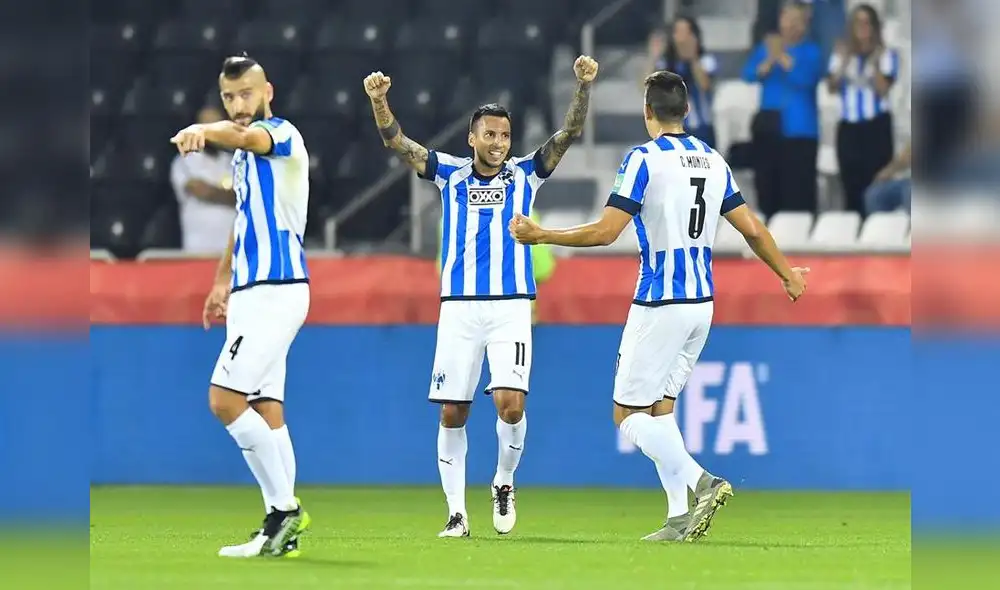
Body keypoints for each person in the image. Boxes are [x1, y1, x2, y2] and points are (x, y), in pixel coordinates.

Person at [509, 71, 809, 542]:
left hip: (660, 301)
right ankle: (677, 517)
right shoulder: (713, 160)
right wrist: (787, 274)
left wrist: (541, 234)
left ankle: (702, 482)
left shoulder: (642, 160)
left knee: (627, 416)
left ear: (647, 112)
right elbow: (750, 228)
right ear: (687, 111)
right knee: (660, 409)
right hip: (702, 305)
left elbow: (607, 231)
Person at [363, 55, 599, 538]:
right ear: (472, 138)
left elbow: (568, 134)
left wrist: (582, 87)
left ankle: (504, 482)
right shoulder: (448, 173)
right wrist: (379, 101)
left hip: (511, 305)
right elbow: (397, 142)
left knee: (511, 405)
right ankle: (455, 513)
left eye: (504, 136)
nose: (497, 143)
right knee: (454, 411)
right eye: (489, 134)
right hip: (459, 309)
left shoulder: (525, 175)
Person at [169, 55, 311, 558]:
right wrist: (221, 279)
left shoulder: (282, 134)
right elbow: (244, 216)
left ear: (266, 90)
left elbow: (249, 137)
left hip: (278, 288)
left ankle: (284, 512)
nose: (238, 105)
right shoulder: (243, 160)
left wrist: (202, 129)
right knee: (268, 409)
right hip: (251, 291)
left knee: (224, 399)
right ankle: (281, 536)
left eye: (245, 94)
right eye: (229, 97)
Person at [742, 1, 823, 216]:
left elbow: (805, 79)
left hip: (800, 133)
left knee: (797, 196)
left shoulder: (811, 51)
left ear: (805, 24)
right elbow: (749, 74)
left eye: (798, 21)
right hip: (769, 130)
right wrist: (769, 59)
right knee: (768, 193)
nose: (791, 26)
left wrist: (782, 57)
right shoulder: (765, 49)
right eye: (787, 19)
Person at [827, 3, 900, 215]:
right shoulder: (841, 52)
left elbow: (883, 89)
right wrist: (843, 61)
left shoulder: (886, 54)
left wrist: (875, 63)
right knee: (851, 185)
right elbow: (832, 87)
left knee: (877, 186)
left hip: (875, 126)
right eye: (858, 22)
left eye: (867, 23)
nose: (862, 27)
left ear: (875, 27)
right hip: (849, 128)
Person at [437, 210, 556, 325]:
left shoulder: (452, 212)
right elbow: (543, 267)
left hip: (464, 307)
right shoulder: (522, 210)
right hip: (515, 307)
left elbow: (445, 267)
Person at [169, 105, 236, 253]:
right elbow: (200, 190)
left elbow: (246, 197)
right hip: (198, 248)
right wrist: (229, 195)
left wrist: (214, 192)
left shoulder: (235, 161)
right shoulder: (184, 161)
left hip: (232, 251)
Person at [644, 16, 718, 147]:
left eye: (686, 32)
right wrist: (653, 57)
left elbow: (705, 85)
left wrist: (693, 57)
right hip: (670, 129)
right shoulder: (666, 62)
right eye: (677, 32)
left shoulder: (705, 60)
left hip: (702, 127)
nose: (681, 38)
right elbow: (645, 87)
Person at [864, 140, 910, 214]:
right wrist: (889, 171)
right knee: (875, 195)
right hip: (906, 180)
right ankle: (882, 225)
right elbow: (906, 156)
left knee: (909, 193)